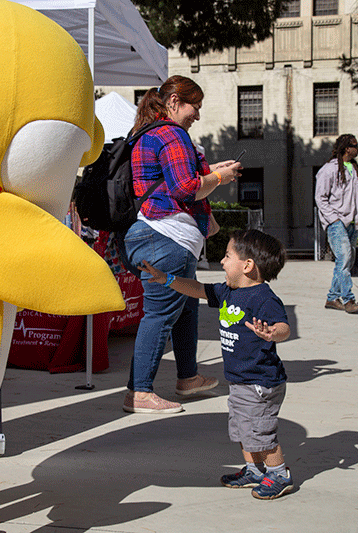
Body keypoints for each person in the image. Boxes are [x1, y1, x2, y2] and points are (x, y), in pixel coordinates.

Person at [138, 228, 293, 499]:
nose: (221, 261)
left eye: (227, 255)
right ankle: (255, 470)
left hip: (260, 382)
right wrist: (166, 279)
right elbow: (197, 289)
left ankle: (279, 473)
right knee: (243, 428)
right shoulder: (226, 292)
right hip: (240, 379)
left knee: (260, 431)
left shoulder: (263, 298)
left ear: (247, 266)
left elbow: (283, 327)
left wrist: (272, 333)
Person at [122, 75, 242, 414]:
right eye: (196, 106)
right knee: (158, 316)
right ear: (175, 102)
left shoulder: (151, 133)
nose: (198, 115)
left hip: (162, 236)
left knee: (187, 308)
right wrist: (220, 178)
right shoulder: (172, 133)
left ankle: (187, 378)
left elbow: (171, 180)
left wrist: (214, 170)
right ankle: (139, 392)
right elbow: (187, 189)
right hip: (167, 238)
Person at [314, 133, 358, 314]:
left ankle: (332, 297)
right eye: (354, 145)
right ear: (346, 148)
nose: (357, 149)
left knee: (346, 262)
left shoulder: (355, 169)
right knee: (344, 259)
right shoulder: (328, 170)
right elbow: (320, 198)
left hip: (353, 222)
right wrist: (333, 219)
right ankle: (349, 299)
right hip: (336, 222)